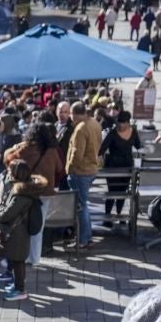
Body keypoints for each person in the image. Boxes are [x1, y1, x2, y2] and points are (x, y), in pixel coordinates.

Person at [0, 161, 45, 301]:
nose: (8, 173)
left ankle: (20, 290)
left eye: (10, 170)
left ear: (17, 173)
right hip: (17, 231)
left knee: (18, 261)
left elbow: (8, 213)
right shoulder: (22, 189)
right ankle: (17, 286)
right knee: (15, 261)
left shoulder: (22, 194)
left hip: (18, 233)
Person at [64, 102, 103, 249]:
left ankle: (83, 239)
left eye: (71, 114)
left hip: (80, 172)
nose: (70, 117)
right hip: (91, 168)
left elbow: (76, 154)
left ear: (75, 114)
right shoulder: (94, 123)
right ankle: (87, 237)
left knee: (81, 206)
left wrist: (69, 169)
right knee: (84, 204)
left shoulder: (80, 128)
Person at [99, 117, 140, 232]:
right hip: (112, 166)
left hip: (127, 166)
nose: (121, 125)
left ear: (128, 123)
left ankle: (119, 214)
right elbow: (102, 149)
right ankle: (107, 217)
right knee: (112, 191)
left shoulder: (133, 132)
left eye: (123, 122)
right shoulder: (112, 133)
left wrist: (144, 151)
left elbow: (138, 146)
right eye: (119, 123)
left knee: (122, 191)